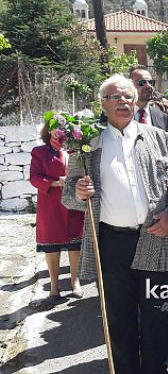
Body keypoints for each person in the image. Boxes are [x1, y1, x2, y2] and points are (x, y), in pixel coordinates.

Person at [61, 74, 168, 374]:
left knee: (157, 314)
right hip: (112, 243)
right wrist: (79, 193)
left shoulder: (160, 138)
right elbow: (69, 195)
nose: (123, 102)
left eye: (128, 97)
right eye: (115, 97)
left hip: (157, 237)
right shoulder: (87, 145)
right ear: (103, 104)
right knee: (118, 318)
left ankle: (156, 369)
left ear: (137, 102)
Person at [29, 122, 85, 309]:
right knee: (52, 246)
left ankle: (75, 282)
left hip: (73, 204)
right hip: (51, 205)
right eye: (57, 127)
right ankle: (54, 288)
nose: (60, 131)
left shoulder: (75, 150)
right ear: (49, 130)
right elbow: (35, 178)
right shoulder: (39, 152)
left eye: (64, 128)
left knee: (75, 244)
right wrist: (55, 183)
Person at [127, 66, 168, 132]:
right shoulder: (118, 116)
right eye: (142, 82)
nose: (148, 86)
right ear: (129, 85)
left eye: (151, 82)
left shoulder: (163, 118)